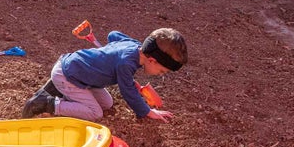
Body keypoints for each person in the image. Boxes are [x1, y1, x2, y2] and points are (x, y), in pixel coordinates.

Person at [22, 27, 188, 123]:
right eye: (161, 71)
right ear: (151, 60)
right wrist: (147, 112)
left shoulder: (134, 46)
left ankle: (58, 89)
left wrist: (109, 54)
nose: (159, 75)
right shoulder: (126, 64)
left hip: (80, 73)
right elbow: (128, 92)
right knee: (95, 113)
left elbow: (113, 35)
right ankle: (47, 103)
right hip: (68, 75)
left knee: (107, 103)